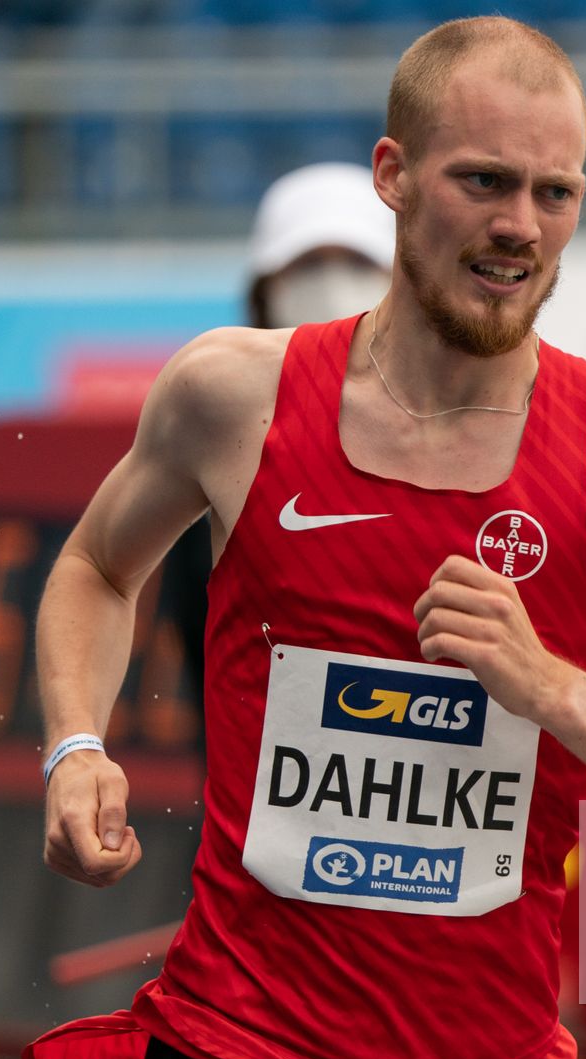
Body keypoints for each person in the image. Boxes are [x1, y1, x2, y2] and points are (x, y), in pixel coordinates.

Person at [23, 17, 586, 1059]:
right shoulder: (234, 395)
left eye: (554, 192)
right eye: (483, 180)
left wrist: (550, 685)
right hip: (252, 1037)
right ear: (394, 175)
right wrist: (75, 744)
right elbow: (97, 568)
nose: (520, 225)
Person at [170, 162, 398, 723]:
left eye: (356, 262)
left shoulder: (468, 437)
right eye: (308, 265)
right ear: (264, 290)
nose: (332, 283)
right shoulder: (212, 443)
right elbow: (100, 571)